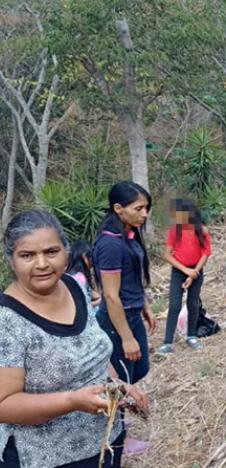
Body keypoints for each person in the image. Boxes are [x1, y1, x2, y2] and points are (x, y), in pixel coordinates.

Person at [0, 210, 148, 468]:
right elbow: (4, 404)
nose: (42, 264)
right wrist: (72, 401)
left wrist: (117, 384)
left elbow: (93, 350)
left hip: (103, 443)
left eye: (51, 252)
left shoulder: (74, 286)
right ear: (11, 261)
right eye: (27, 255)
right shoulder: (7, 320)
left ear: (67, 253)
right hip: (46, 458)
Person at [92, 181, 156, 386]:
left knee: (140, 368)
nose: (144, 214)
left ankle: (120, 411)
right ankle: (116, 417)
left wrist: (145, 306)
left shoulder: (130, 235)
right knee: (120, 379)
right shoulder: (110, 244)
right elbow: (111, 296)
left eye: (146, 208)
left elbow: (134, 277)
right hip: (116, 320)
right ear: (118, 208)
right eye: (138, 208)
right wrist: (126, 338)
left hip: (133, 313)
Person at [159, 198, 212, 354]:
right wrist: (185, 270)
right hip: (178, 271)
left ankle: (191, 336)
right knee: (174, 305)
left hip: (196, 271)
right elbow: (167, 255)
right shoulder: (175, 230)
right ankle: (167, 342)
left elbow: (205, 253)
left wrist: (194, 272)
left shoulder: (202, 230)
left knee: (193, 303)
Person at [67, 239, 101, 312]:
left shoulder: (73, 275)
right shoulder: (80, 278)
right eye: (91, 256)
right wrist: (100, 302)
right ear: (85, 257)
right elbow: (82, 305)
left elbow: (92, 294)